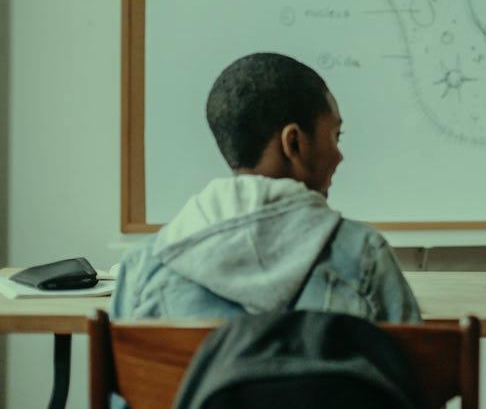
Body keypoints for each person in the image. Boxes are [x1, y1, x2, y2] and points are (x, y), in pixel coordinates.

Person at [112, 52, 421, 323]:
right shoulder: (363, 256)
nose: (339, 155)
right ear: (294, 143)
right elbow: (408, 383)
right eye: (335, 136)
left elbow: (122, 390)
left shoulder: (143, 269)